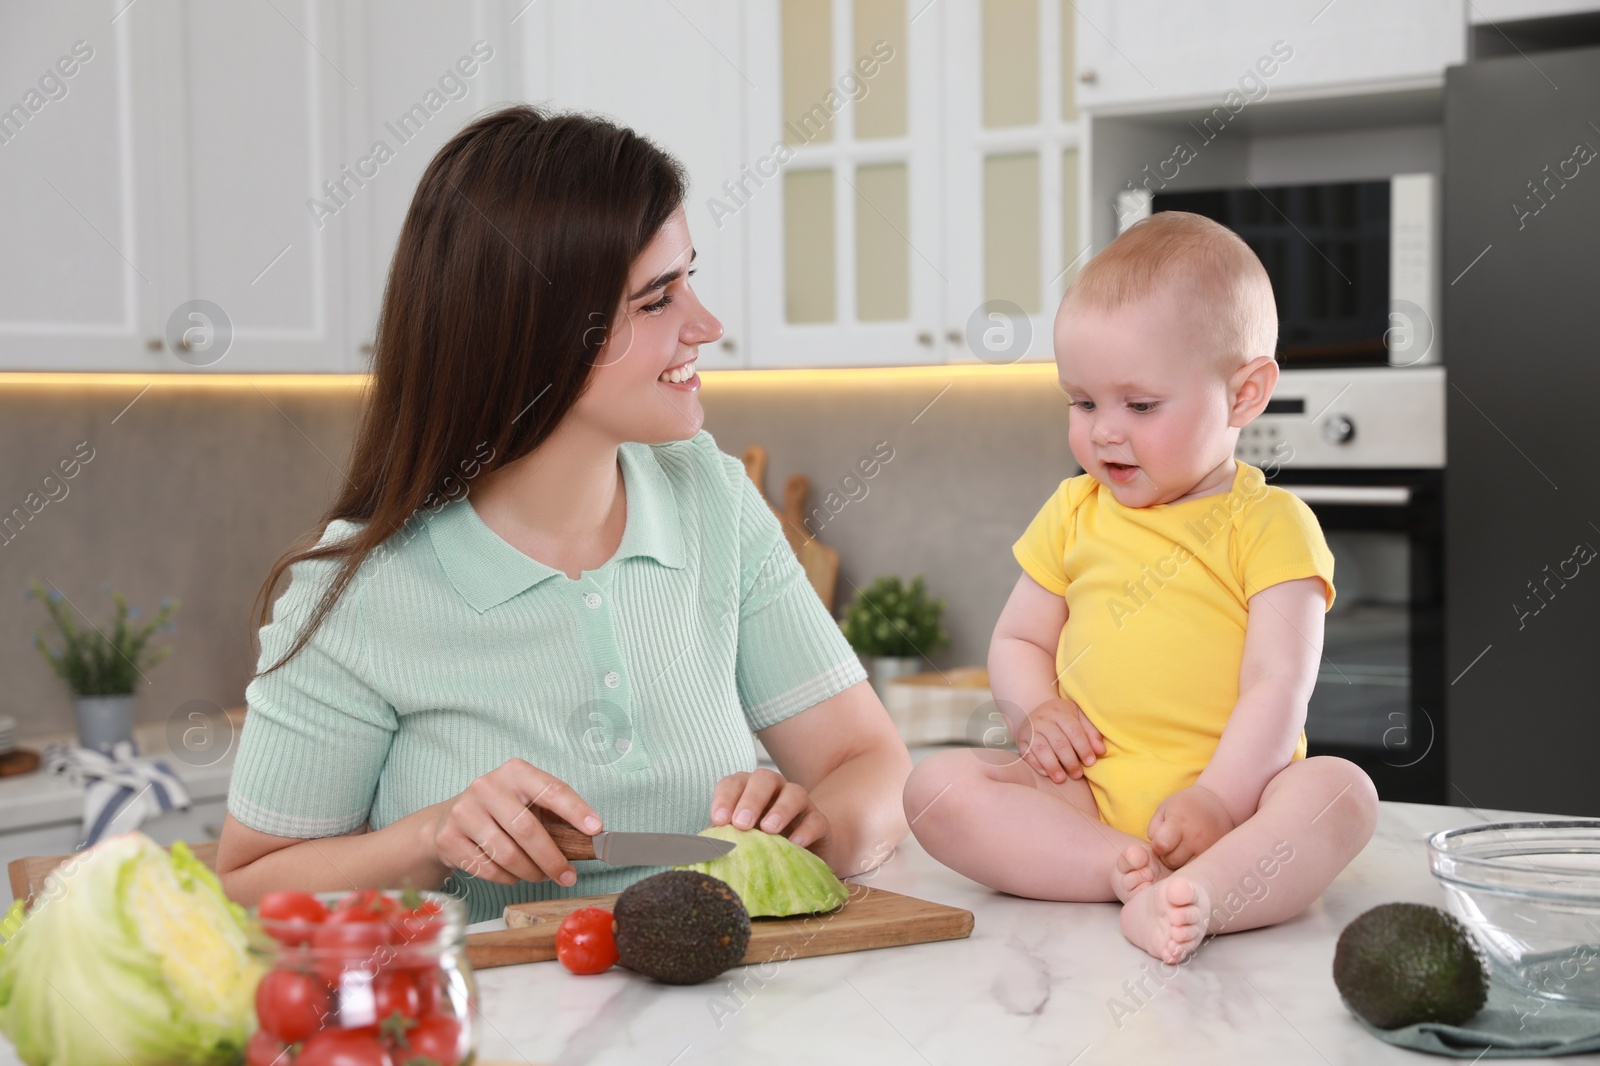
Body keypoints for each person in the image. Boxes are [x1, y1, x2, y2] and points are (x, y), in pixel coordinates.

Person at [216, 106, 911, 923]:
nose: (707, 326)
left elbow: (872, 763)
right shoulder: (361, 588)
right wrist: (431, 836)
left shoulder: (712, 499)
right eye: (657, 301)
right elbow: (248, 884)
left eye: (689, 277)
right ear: (541, 334)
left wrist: (814, 829)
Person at [903, 211, 1379, 963]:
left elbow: (1276, 686)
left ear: (1246, 394)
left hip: (1239, 803)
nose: (1104, 432)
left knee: (1341, 793)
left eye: (1141, 405)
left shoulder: (1270, 525)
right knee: (936, 786)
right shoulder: (1072, 511)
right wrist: (1036, 713)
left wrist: (1218, 801)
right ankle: (1114, 870)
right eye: (1083, 402)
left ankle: (1210, 891)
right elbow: (1020, 638)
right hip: (1086, 798)